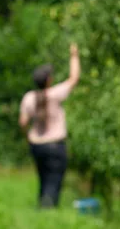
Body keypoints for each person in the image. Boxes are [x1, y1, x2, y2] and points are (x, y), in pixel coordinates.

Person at [18, 43, 80, 208]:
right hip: (55, 145)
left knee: (43, 178)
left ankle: (42, 207)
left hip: (36, 144)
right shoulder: (55, 94)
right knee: (54, 180)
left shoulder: (29, 98)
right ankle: (48, 209)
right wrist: (74, 55)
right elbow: (74, 78)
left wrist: (28, 137)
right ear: (48, 80)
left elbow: (23, 122)